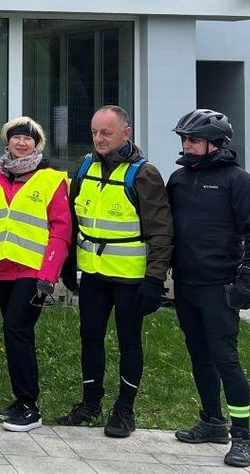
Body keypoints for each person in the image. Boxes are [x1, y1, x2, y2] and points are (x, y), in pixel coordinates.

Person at [57, 105, 173, 438]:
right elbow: (74, 217)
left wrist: (155, 280)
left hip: (130, 279)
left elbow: (161, 232)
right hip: (93, 275)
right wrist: (68, 263)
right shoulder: (84, 166)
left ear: (126, 132)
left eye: (106, 132)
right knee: (90, 339)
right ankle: (90, 401)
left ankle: (124, 409)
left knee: (128, 342)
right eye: (94, 132)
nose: (99, 139)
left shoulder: (143, 174)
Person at [168, 109, 250, 469]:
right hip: (186, 283)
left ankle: (243, 436)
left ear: (215, 143)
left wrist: (247, 282)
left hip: (220, 286)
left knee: (226, 360)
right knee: (199, 356)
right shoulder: (179, 179)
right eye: (184, 139)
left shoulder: (239, 182)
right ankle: (213, 422)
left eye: (193, 139)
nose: (186, 145)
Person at [0, 117, 72, 433]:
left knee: (16, 330)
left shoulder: (50, 179)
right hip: (4, 269)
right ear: (8, 142)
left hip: (34, 272)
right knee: (16, 334)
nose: (22, 143)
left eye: (29, 139)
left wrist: (49, 274)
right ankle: (21, 400)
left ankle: (30, 406)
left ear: (37, 145)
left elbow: (61, 231)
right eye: (17, 138)